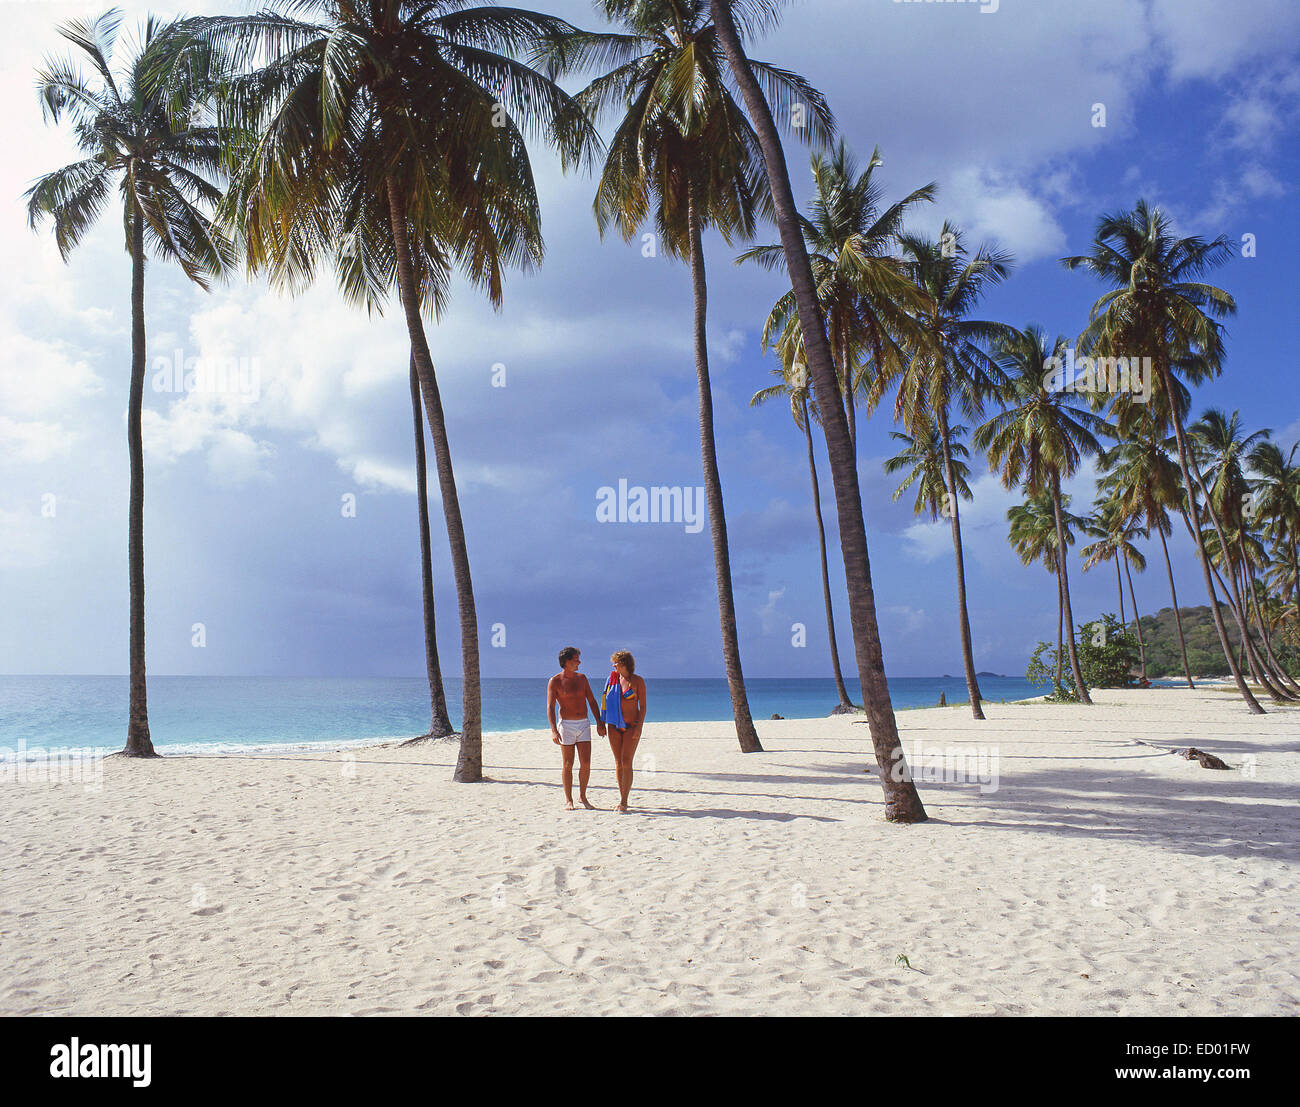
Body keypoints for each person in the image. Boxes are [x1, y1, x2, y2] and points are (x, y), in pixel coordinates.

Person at [546, 647, 605, 810]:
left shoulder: (582, 678)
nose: (579, 662)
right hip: (566, 725)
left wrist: (599, 723)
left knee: (586, 763)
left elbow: (592, 702)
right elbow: (550, 707)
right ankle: (568, 799)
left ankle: (583, 797)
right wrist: (553, 730)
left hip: (584, 724)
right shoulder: (555, 681)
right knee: (567, 764)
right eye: (576, 659)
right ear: (566, 662)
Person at [602, 650, 647, 813]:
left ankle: (624, 800)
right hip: (613, 725)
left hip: (631, 726)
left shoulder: (637, 681)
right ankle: (622, 796)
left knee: (627, 761)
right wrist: (602, 723)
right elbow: (605, 702)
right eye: (613, 663)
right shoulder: (611, 680)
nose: (614, 665)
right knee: (618, 763)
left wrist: (639, 727)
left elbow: (643, 707)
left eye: (617, 663)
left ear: (625, 664)